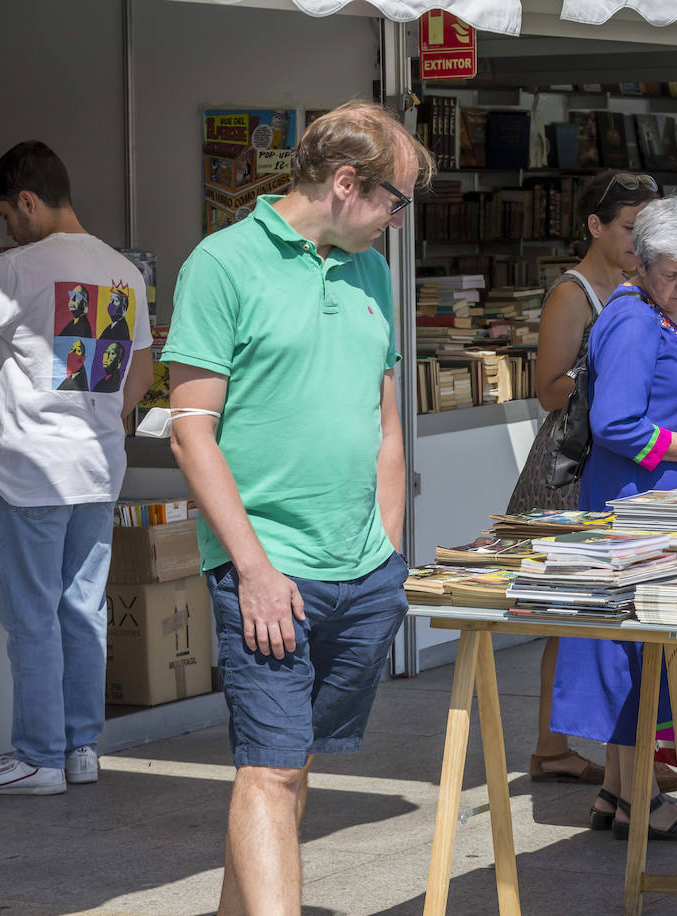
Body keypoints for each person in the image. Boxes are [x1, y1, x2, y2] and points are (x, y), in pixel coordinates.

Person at [164, 101, 427, 911]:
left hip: (361, 570)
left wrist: (386, 547)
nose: (397, 219)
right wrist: (251, 567)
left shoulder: (370, 269)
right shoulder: (223, 263)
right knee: (273, 769)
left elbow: (385, 418)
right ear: (347, 183)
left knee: (288, 765)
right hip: (267, 571)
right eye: (396, 200)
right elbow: (189, 432)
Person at [0, 141, 153, 795]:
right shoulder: (123, 271)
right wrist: (94, 419)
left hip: (30, 469)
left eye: (7, 213)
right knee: (81, 611)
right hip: (98, 467)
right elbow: (142, 371)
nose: (7, 227)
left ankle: (36, 758)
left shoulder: (18, 268)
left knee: (32, 617)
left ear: (28, 201)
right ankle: (79, 748)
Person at [551, 196, 677, 841]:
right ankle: (639, 799)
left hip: (667, 506)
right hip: (639, 508)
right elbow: (616, 423)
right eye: (671, 273)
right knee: (640, 655)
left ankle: (620, 793)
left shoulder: (670, 308)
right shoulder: (633, 320)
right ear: (642, 264)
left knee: (644, 653)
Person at [505, 170, 662, 789]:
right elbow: (547, 389)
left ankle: (586, 752)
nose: (639, 239)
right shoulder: (573, 293)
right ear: (595, 226)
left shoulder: (633, 286)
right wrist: (618, 382)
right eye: (630, 227)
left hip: (610, 457)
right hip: (571, 464)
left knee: (595, 612)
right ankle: (553, 747)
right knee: (568, 611)